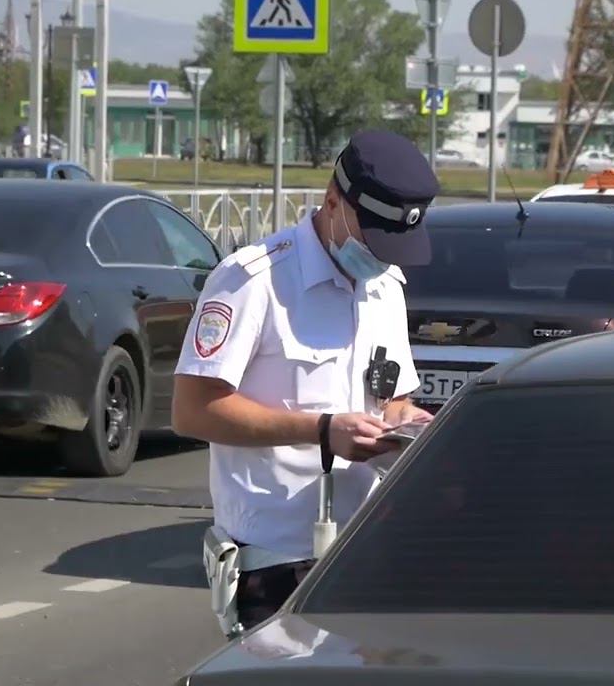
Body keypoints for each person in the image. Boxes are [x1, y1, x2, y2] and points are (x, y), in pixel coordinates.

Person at [173, 130, 438, 635]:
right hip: (275, 563)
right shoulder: (252, 281)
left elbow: (393, 399)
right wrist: (320, 429)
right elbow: (192, 410)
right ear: (332, 201)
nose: (381, 257)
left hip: (361, 554)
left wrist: (410, 425)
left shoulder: (385, 286)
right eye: (373, 240)